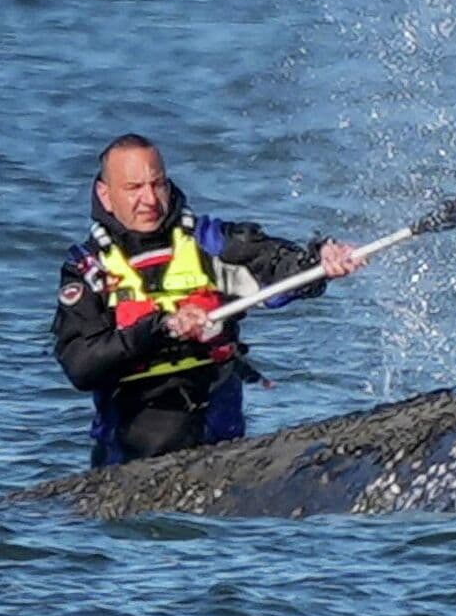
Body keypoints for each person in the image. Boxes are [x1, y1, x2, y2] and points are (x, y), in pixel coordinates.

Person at [53, 133, 365, 467]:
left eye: (158, 184)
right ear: (106, 194)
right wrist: (161, 328)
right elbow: (81, 366)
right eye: (134, 188)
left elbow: (276, 266)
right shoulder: (89, 269)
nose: (150, 199)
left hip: (219, 443)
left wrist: (320, 261)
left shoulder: (208, 242)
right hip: (131, 453)